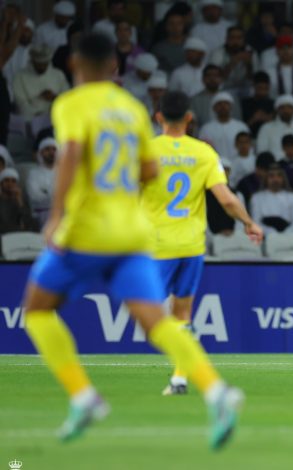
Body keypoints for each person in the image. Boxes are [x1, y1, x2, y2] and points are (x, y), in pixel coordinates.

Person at [21, 32, 243, 448]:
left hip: (86, 231)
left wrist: (56, 216)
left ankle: (82, 395)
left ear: (73, 65)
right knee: (160, 321)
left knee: (36, 309)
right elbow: (148, 171)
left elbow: (69, 154)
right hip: (133, 233)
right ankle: (217, 392)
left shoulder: (71, 104)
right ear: (115, 68)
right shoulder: (132, 109)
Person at [142, 91, 262, 396]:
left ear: (158, 117)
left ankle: (183, 365)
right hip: (192, 247)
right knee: (182, 315)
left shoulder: (146, 151)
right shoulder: (204, 153)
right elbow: (225, 198)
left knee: (150, 316)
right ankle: (180, 379)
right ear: (189, 118)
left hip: (157, 246)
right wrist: (248, 223)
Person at [12, 44, 69, 121]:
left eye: (44, 64)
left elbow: (67, 99)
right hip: (32, 121)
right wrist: (39, 112)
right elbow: (21, 106)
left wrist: (54, 97)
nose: (42, 67)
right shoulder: (19, 77)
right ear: (32, 61)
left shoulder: (58, 74)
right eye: (39, 64)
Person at [255, 94, 293, 161]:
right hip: (274, 168)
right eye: (282, 108)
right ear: (277, 110)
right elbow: (261, 152)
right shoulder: (266, 128)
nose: (286, 111)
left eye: (289, 108)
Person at [250, 163, 293, 234]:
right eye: (271, 176)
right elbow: (256, 221)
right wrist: (271, 233)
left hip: (290, 236)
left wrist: (286, 234)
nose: (276, 179)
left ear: (283, 178)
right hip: (265, 237)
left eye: (279, 176)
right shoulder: (256, 198)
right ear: (266, 179)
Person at [197, 92, 249, 158]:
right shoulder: (206, 129)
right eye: (219, 104)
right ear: (214, 108)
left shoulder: (241, 127)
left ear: (231, 106)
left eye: (226, 104)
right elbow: (202, 150)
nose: (223, 106)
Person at [26, 137, 58, 225]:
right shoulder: (33, 174)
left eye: (54, 149)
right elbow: (35, 197)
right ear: (41, 153)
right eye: (47, 149)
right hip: (41, 215)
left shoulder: (63, 173)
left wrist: (47, 192)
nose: (51, 152)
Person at [0, 167, 38, 234]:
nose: (10, 184)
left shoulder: (21, 200)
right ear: (1, 183)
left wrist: (20, 200)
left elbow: (28, 222)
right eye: (6, 180)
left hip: (19, 236)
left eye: (13, 181)